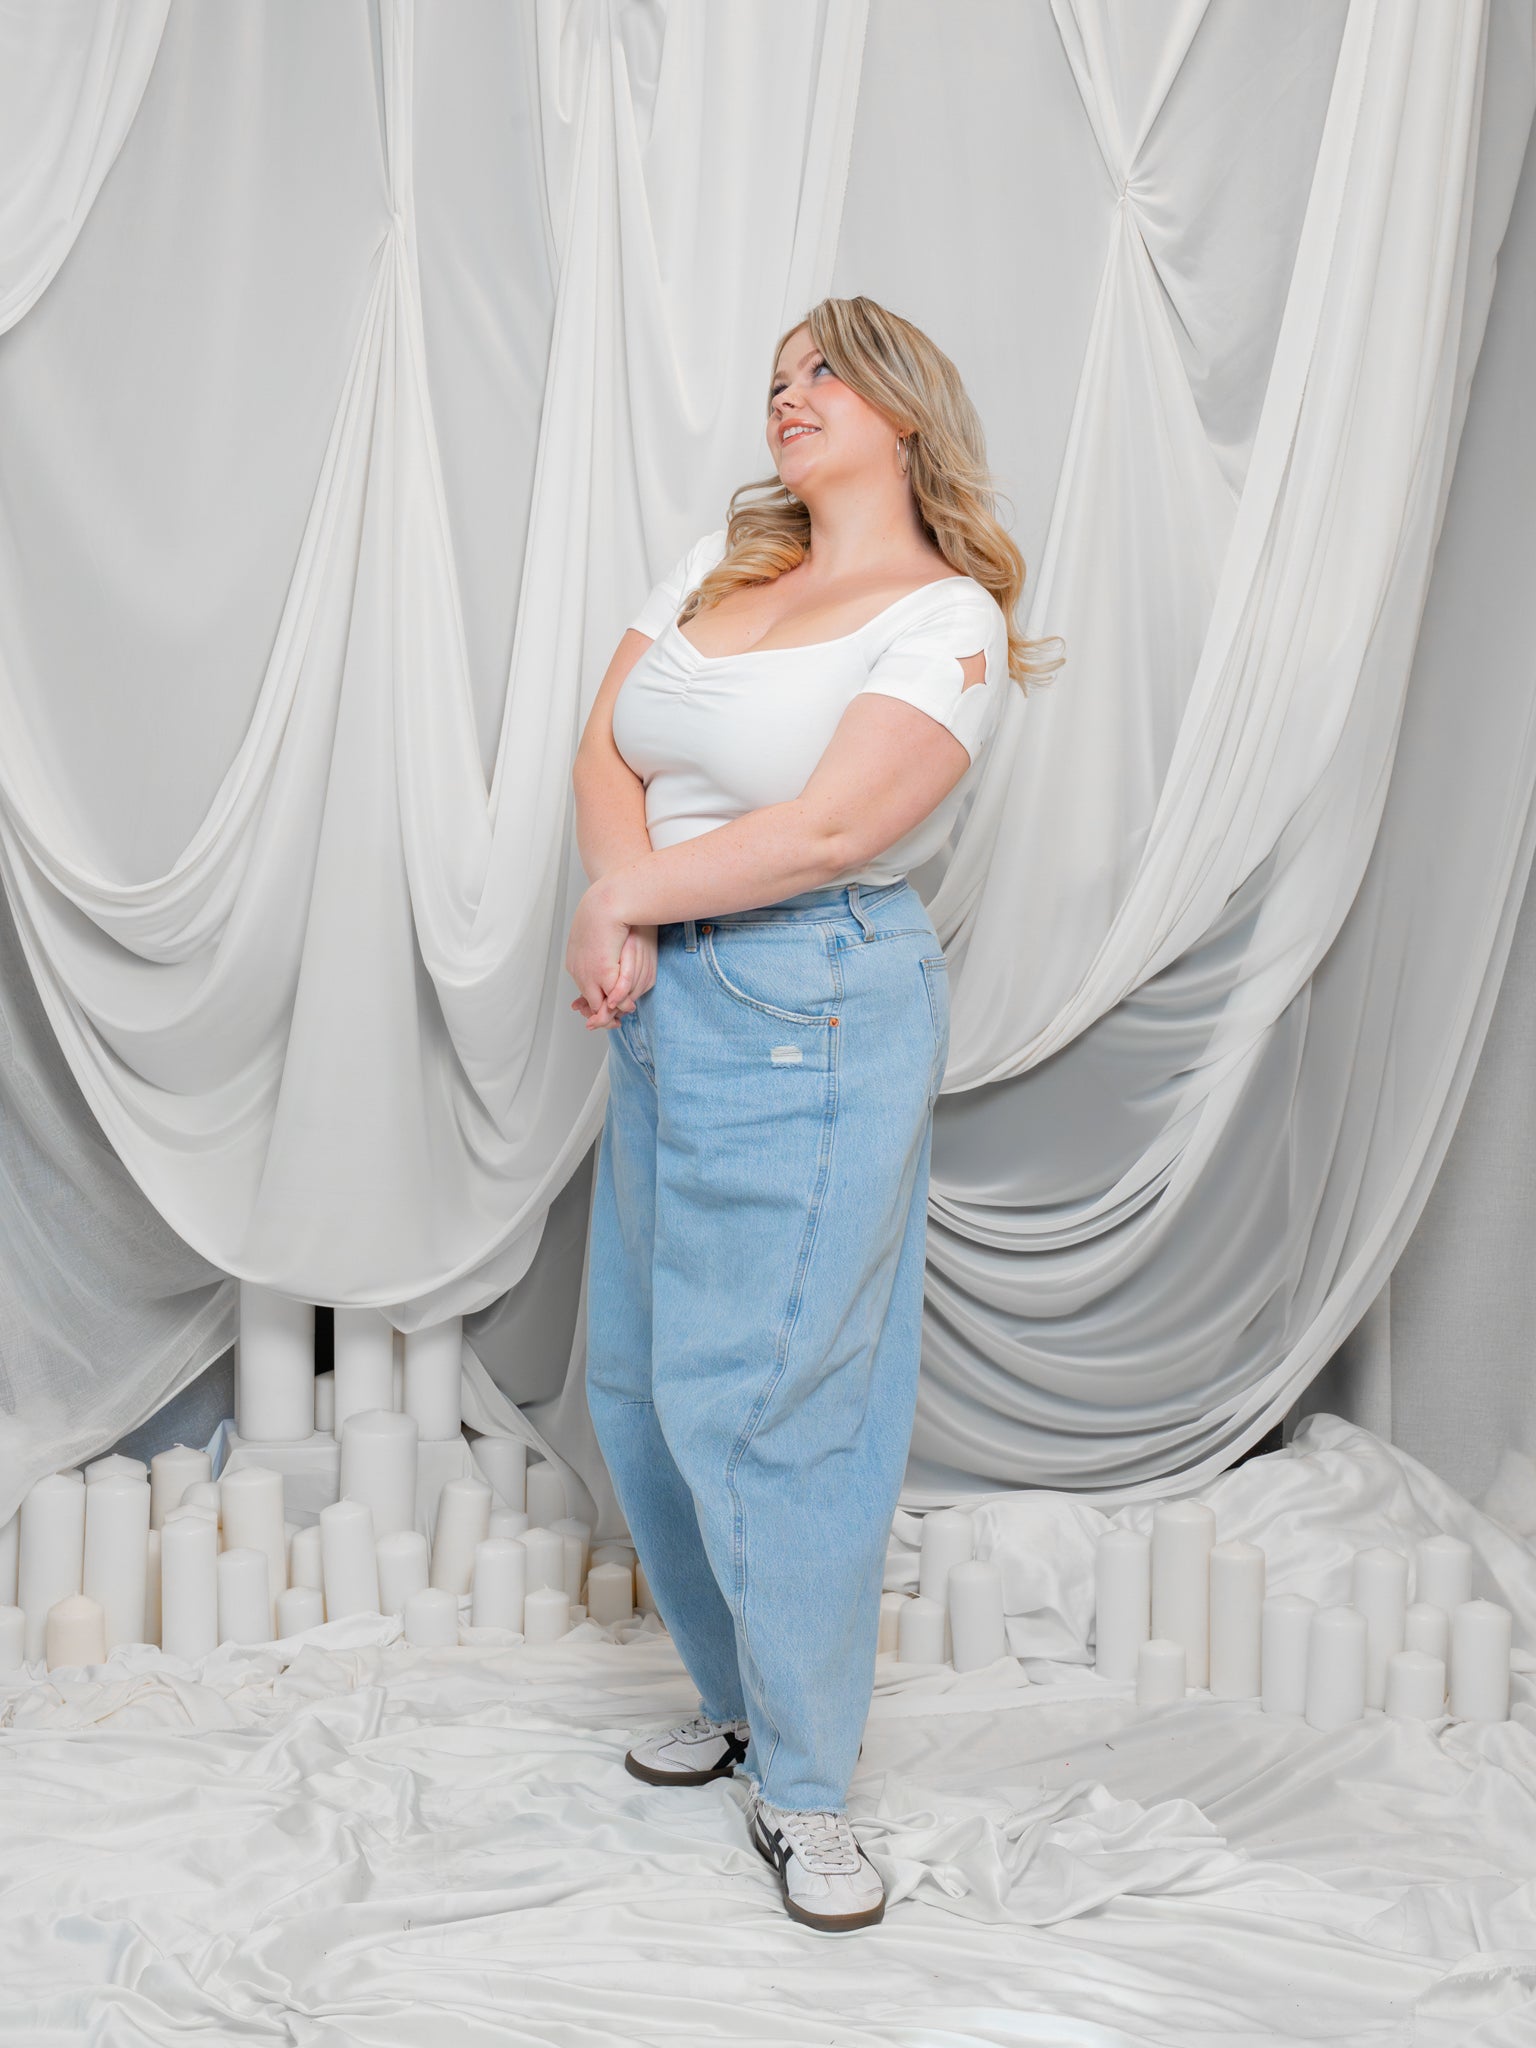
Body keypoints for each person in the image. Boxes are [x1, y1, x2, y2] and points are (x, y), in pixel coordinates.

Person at [566, 294, 1062, 1933]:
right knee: (643, 1384)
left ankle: (809, 1784)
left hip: (809, 997)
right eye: (776, 376)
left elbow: (833, 829)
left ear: (907, 408)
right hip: (660, 992)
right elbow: (605, 745)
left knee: (776, 1398)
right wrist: (623, 898)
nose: (790, 397)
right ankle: (741, 1701)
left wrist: (627, 895)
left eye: (824, 373)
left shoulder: (947, 618)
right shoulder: (726, 563)